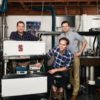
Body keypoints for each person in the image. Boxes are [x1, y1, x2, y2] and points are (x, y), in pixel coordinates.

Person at [58, 21, 87, 100]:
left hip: (75, 56)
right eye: (63, 26)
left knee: (76, 75)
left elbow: (84, 41)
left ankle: (75, 94)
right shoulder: (60, 36)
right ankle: (77, 88)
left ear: (69, 26)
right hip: (66, 58)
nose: (65, 27)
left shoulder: (74, 34)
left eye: (66, 26)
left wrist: (80, 52)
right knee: (69, 76)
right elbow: (59, 47)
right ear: (62, 27)